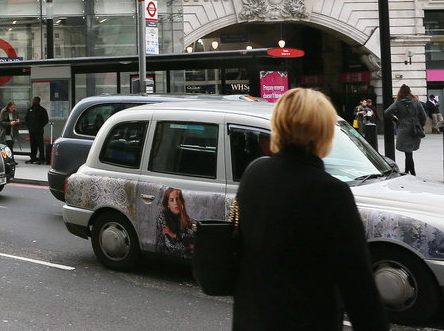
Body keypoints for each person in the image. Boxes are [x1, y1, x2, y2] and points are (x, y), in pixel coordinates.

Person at [233, 88, 388, 331]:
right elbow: (357, 281)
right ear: (323, 131)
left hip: (252, 317)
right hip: (306, 319)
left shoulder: (255, 173)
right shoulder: (329, 191)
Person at [385, 84, 427, 175]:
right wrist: (420, 125)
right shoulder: (416, 102)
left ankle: (411, 172)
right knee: (409, 152)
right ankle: (409, 171)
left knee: (408, 152)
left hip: (403, 129)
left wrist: (395, 120)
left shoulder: (398, 102)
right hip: (415, 129)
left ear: (400, 92)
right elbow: (424, 116)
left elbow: (387, 112)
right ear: (409, 92)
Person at [155, 187, 195, 258]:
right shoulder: (163, 216)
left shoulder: (184, 217)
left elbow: (192, 237)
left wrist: (173, 235)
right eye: (171, 200)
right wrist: (189, 246)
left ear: (181, 201)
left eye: (177, 199)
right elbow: (170, 245)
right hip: (165, 256)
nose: (175, 203)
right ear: (168, 204)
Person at [24, 96, 49, 164]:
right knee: (33, 144)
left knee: (40, 144)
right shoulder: (29, 109)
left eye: (36, 100)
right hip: (31, 130)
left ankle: (41, 158)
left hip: (39, 130)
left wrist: (39, 126)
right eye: (34, 100)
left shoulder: (42, 110)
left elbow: (46, 120)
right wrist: (29, 127)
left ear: (38, 101)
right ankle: (33, 158)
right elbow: (26, 119)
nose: (34, 101)